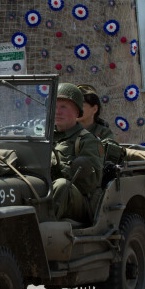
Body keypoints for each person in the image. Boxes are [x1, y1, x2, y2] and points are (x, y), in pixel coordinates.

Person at [51, 83, 104, 223]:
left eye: (63, 107)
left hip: (78, 201)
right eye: (54, 107)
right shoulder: (43, 138)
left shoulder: (87, 140)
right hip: (45, 192)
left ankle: (40, 228)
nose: (57, 112)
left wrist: (58, 166)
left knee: (62, 185)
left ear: (77, 112)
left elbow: (90, 184)